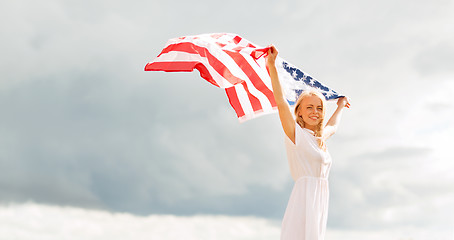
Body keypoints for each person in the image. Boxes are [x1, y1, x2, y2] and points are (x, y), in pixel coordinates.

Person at [265, 45, 350, 240]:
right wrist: (272, 66)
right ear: (299, 111)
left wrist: (341, 106)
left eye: (319, 108)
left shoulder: (319, 138)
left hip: (320, 199)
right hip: (305, 198)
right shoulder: (296, 134)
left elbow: (333, 127)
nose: (315, 112)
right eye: (309, 107)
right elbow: (280, 101)